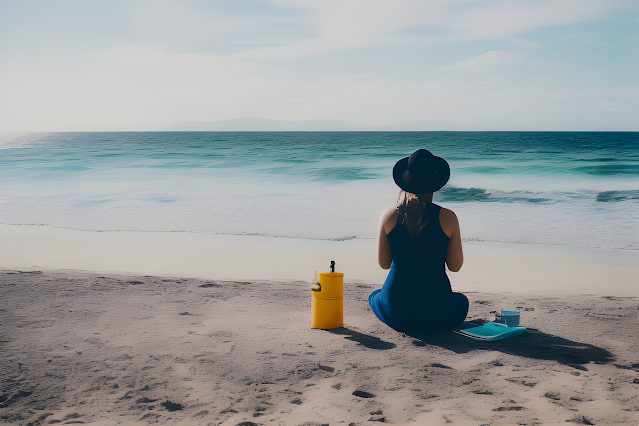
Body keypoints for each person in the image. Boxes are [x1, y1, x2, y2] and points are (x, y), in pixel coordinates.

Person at [368, 149, 469, 334]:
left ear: (405, 180)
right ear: (435, 183)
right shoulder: (448, 217)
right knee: (462, 301)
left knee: (375, 296)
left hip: (397, 311)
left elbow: (383, 264)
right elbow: (455, 266)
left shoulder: (389, 215)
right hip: (439, 312)